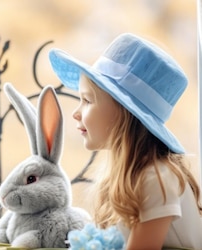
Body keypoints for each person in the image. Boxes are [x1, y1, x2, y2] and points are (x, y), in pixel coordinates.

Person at [49, 33, 202, 249]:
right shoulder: (131, 177)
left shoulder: (157, 178)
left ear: (124, 112)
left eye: (87, 100)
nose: (76, 112)